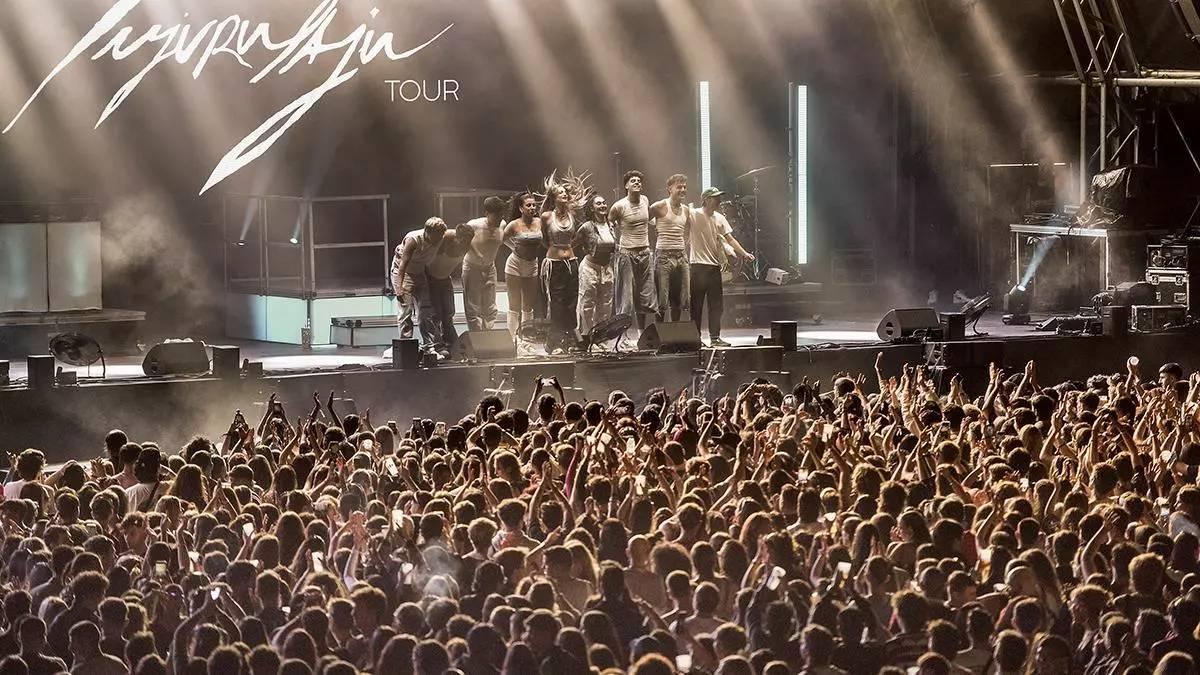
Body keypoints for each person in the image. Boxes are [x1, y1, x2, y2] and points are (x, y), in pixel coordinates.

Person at [687, 187, 754, 347]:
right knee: (696, 306)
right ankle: (695, 339)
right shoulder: (693, 214)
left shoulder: (720, 218)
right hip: (698, 266)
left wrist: (744, 253)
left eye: (719, 197)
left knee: (716, 305)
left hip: (714, 267)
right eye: (715, 197)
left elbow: (730, 239)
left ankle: (715, 338)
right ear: (706, 200)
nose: (719, 200)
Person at [540, 171, 589, 353]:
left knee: (571, 300)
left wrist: (567, 249)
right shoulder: (547, 216)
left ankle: (570, 338)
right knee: (557, 302)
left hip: (572, 262)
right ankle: (554, 341)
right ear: (554, 197)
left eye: (565, 192)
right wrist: (555, 249)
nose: (564, 194)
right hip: (555, 264)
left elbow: (575, 237)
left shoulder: (572, 214)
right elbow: (544, 239)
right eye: (560, 192)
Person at [390, 217, 448, 357]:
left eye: (440, 236)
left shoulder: (442, 236)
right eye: (436, 236)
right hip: (404, 272)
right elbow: (402, 266)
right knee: (405, 311)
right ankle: (406, 347)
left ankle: (429, 347)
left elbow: (456, 233)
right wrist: (398, 288)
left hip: (419, 272)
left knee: (425, 312)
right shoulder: (413, 240)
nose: (438, 240)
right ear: (427, 232)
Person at [610, 170, 657, 330]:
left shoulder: (645, 200)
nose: (637, 182)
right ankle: (622, 335)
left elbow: (649, 218)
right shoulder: (619, 206)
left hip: (645, 252)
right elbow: (609, 224)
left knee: (645, 296)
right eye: (633, 181)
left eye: (638, 181)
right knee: (626, 298)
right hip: (627, 254)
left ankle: (641, 333)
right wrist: (615, 244)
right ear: (626, 186)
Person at [502, 194, 545, 340]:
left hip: (532, 264)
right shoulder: (514, 224)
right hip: (515, 264)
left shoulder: (540, 222)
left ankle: (526, 337)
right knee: (514, 305)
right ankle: (512, 338)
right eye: (528, 205)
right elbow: (502, 238)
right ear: (521, 208)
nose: (532, 208)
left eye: (534, 205)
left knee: (528, 305)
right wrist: (513, 247)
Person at [574, 193, 617, 340]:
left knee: (605, 305)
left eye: (604, 202)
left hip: (606, 269)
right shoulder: (586, 227)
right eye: (598, 203)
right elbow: (572, 244)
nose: (603, 205)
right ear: (592, 208)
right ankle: (585, 338)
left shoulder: (611, 225)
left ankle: (600, 338)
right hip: (589, 268)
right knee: (587, 304)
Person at [426, 224, 473, 358]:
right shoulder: (445, 238)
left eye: (467, 242)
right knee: (436, 314)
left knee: (449, 312)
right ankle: (438, 345)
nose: (464, 244)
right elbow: (425, 253)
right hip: (431, 278)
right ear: (456, 237)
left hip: (445, 278)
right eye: (462, 241)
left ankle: (451, 342)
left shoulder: (467, 245)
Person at [649, 174, 691, 323]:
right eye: (679, 187)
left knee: (680, 298)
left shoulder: (686, 210)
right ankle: (660, 332)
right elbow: (643, 221)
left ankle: (675, 330)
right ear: (669, 189)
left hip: (681, 256)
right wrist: (654, 239)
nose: (683, 190)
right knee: (662, 300)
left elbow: (686, 230)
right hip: (664, 256)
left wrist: (683, 243)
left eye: (684, 187)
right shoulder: (659, 206)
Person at [462, 197, 507, 332]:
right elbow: (463, 237)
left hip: (489, 267)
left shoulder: (502, 224)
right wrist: (477, 253)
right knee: (473, 306)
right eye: (496, 215)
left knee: (490, 305)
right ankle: (476, 336)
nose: (499, 218)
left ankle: (488, 334)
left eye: (501, 215)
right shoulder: (474, 224)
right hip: (472, 267)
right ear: (487, 213)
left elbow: (503, 239)